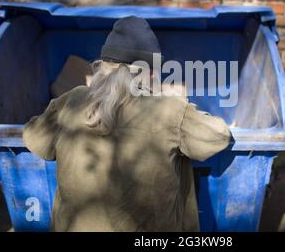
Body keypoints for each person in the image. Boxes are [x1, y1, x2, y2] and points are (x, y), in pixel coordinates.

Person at [23, 16, 232, 232]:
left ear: (102, 67)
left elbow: (33, 138)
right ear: (150, 73)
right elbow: (218, 136)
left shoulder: (72, 101)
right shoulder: (170, 110)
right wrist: (169, 96)